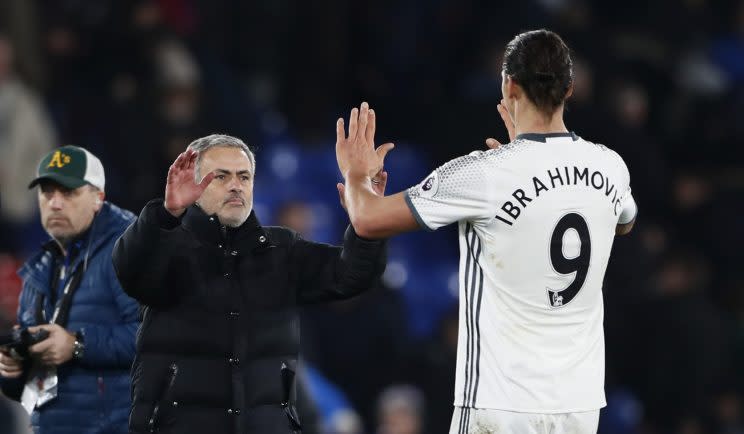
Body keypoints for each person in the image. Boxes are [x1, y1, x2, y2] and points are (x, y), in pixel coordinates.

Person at [335, 29, 637, 434]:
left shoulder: (485, 173)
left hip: (502, 402)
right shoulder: (610, 166)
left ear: (508, 86)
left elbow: (367, 220)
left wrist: (357, 177)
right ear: (570, 88)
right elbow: (624, 221)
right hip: (578, 405)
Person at [111, 134, 388, 434]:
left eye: (244, 176)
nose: (236, 185)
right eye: (221, 176)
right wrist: (165, 215)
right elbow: (130, 272)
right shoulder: (167, 244)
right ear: (193, 183)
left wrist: (367, 224)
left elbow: (351, 276)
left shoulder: (282, 250)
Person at [0, 146, 140, 433]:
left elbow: (153, 336)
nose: (55, 203)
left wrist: (77, 345)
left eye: (68, 193)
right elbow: (32, 385)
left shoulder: (127, 249)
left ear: (98, 199)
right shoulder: (40, 267)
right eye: (47, 193)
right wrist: (13, 371)